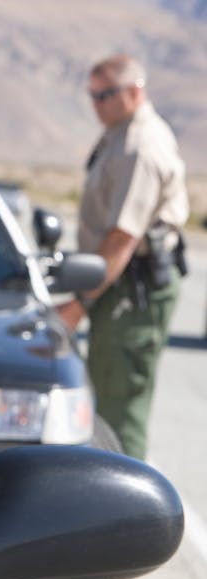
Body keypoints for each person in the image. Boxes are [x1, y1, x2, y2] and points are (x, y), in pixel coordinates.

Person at [57, 54, 189, 460]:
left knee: (119, 414)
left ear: (135, 91)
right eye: (92, 95)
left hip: (130, 290)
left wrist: (79, 304)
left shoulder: (139, 145)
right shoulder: (120, 132)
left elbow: (121, 239)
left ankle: (131, 519)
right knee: (104, 402)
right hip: (116, 285)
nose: (97, 104)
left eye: (106, 95)